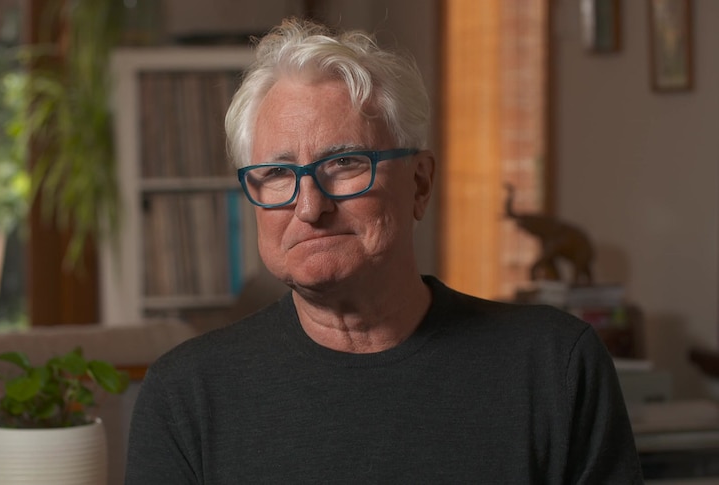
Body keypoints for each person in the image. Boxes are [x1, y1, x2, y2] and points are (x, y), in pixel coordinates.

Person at [124, 17, 643, 484]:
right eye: (278, 173)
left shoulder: (555, 366)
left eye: (346, 163)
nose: (309, 206)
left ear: (420, 183)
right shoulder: (186, 395)